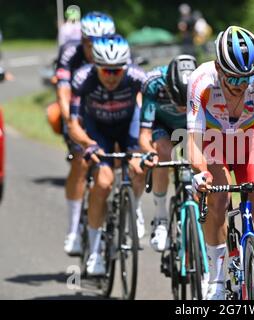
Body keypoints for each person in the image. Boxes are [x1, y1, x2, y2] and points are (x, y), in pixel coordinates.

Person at [187, 26, 254, 300]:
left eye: (246, 77)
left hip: (249, 141)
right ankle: (215, 278)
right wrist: (200, 174)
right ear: (218, 68)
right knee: (218, 200)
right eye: (233, 78)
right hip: (213, 142)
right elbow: (194, 139)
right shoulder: (201, 80)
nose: (240, 85)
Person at [67, 34, 150, 275]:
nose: (111, 76)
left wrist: (140, 148)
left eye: (117, 71)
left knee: (138, 167)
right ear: (96, 66)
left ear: (126, 66)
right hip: (97, 131)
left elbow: (146, 115)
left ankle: (133, 205)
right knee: (103, 183)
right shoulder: (83, 78)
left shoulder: (137, 77)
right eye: (106, 70)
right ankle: (94, 251)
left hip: (128, 127)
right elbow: (73, 124)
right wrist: (88, 145)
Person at [55, 12, 120, 256]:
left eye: (101, 42)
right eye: (89, 43)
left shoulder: (118, 50)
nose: (94, 48)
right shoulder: (70, 53)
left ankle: (106, 220)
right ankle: (73, 229)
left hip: (109, 113)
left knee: (111, 164)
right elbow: (63, 92)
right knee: (82, 161)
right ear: (82, 40)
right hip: (78, 113)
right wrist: (71, 122)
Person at [139, 54, 198, 252]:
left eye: (186, 103)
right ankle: (161, 217)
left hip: (191, 128)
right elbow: (144, 133)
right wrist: (150, 153)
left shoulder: (205, 80)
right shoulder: (152, 83)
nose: (181, 108)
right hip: (162, 125)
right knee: (162, 153)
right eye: (177, 102)